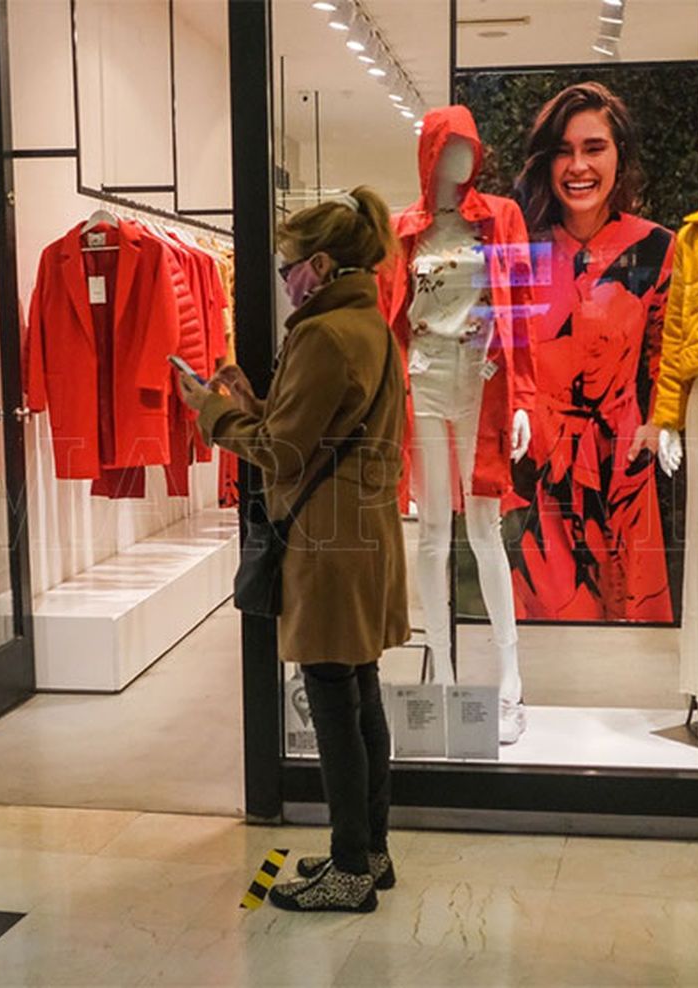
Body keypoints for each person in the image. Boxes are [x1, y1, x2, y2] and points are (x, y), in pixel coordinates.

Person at [177, 187, 409, 914]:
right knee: (358, 689)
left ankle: (348, 869)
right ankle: (370, 851)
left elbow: (279, 454)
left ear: (317, 264)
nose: (284, 283)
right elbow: (311, 430)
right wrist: (254, 401)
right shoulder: (369, 323)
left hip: (327, 543)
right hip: (364, 532)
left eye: (286, 269)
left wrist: (209, 411)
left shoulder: (324, 335)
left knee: (335, 700)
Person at [510, 82, 676, 623]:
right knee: (540, 624)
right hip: (540, 472)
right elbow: (503, 352)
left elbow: (665, 356)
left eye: (593, 147)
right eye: (563, 150)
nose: (577, 165)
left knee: (631, 628)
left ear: (619, 155)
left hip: (625, 466)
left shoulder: (656, 247)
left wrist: (660, 424)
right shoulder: (522, 249)